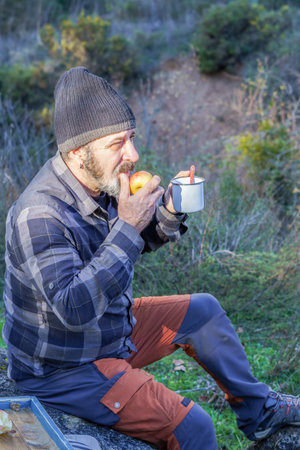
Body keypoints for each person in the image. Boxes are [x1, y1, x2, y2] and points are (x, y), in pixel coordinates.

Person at [3, 67, 299, 450]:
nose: (133, 155)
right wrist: (127, 225)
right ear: (78, 150)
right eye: (118, 144)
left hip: (108, 334)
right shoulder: (40, 214)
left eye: (132, 139)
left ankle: (259, 412)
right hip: (62, 369)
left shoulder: (99, 183)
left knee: (203, 312)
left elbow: (132, 244)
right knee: (194, 428)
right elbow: (73, 308)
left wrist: (168, 213)